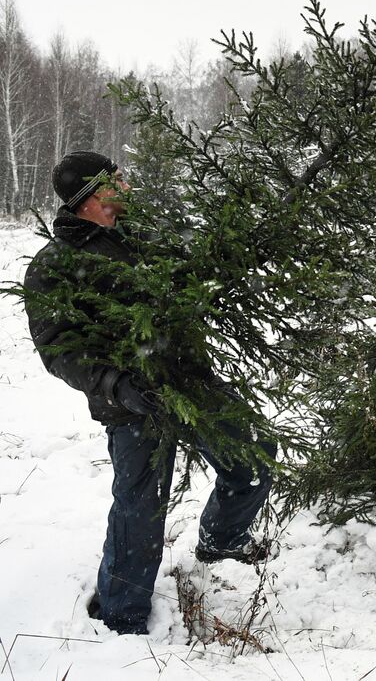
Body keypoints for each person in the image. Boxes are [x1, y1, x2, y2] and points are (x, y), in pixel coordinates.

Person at [23, 151, 275, 636]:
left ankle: (221, 542)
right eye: (116, 177)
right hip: (129, 401)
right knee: (139, 509)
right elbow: (57, 350)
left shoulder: (144, 237)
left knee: (254, 458)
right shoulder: (55, 265)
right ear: (95, 195)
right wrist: (118, 386)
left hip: (190, 380)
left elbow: (195, 273)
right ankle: (122, 617)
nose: (126, 181)